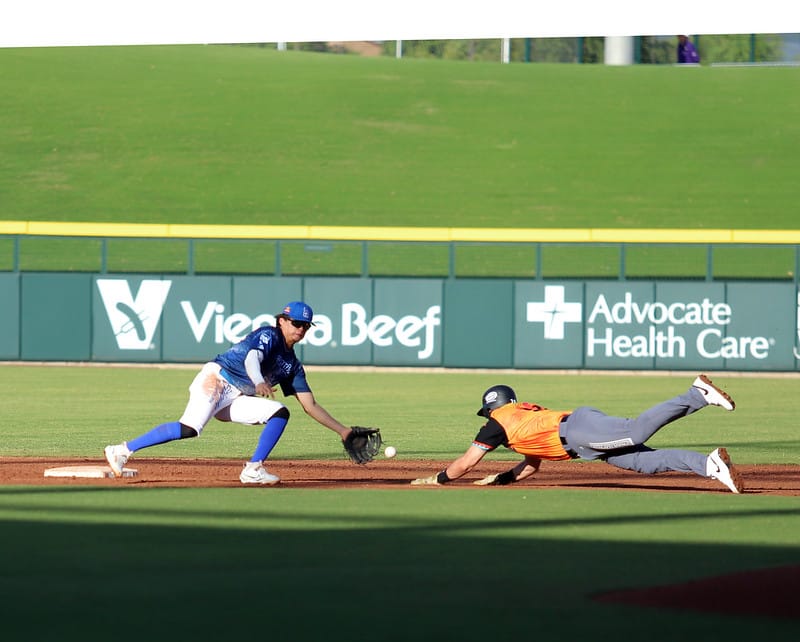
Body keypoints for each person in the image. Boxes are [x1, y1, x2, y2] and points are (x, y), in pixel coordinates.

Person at [104, 301, 356, 485]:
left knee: (280, 412)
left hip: (235, 397)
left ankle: (253, 469)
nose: (301, 329)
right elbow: (251, 359)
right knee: (189, 428)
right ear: (282, 321)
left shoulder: (292, 365)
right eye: (297, 323)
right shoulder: (269, 334)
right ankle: (122, 450)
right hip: (217, 379)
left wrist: (343, 431)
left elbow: (310, 405)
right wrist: (258, 382)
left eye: (306, 326)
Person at [411, 374, 743, 493]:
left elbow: (467, 462)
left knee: (636, 430)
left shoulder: (498, 422)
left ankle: (695, 395)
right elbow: (533, 464)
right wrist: (503, 479)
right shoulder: (520, 419)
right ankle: (711, 466)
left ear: (492, 407)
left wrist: (439, 478)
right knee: (646, 462)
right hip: (582, 437)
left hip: (580, 433)